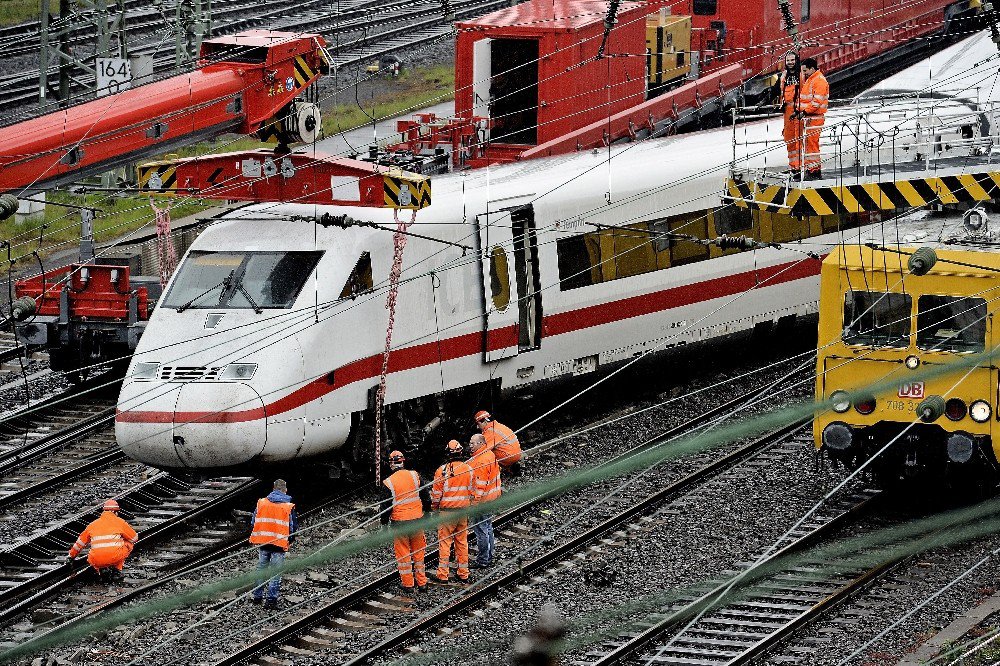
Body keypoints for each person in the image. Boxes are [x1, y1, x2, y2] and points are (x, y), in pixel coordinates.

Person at [381, 450, 430, 591]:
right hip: (417, 520)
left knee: (403, 554)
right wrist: (427, 513)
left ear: (391, 464)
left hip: (400, 523)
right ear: (403, 462)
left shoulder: (388, 482)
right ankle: (422, 583)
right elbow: (426, 497)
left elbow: (385, 507)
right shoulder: (415, 476)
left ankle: (408, 584)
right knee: (419, 552)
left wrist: (384, 524)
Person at [249, 478, 297, 610]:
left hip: (263, 542)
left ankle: (257, 597)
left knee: (261, 570)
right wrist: (290, 541)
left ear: (273, 489)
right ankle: (271, 601)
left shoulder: (262, 503)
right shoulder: (288, 507)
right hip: (279, 544)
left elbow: (253, 523)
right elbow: (292, 528)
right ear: (285, 490)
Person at [430, 440, 474, 583]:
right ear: (461, 452)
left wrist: (434, 509)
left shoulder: (442, 471)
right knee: (462, 542)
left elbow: (436, 495)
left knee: (445, 543)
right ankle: (463, 573)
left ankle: (443, 575)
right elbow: (472, 491)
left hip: (447, 513)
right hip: (463, 512)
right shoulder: (469, 469)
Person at [67, 498, 138, 583]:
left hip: (96, 560)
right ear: (114, 512)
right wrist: (121, 538)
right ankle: (116, 571)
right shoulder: (120, 522)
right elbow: (134, 538)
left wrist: (71, 556)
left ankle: (100, 570)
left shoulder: (92, 525)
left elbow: (80, 543)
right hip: (115, 557)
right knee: (128, 543)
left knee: (93, 550)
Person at [468, 433, 501, 568]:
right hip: (491, 498)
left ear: (481, 444)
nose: (470, 445)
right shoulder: (489, 454)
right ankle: (489, 556)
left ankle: (483, 560)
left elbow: (479, 486)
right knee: (488, 528)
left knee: (481, 530)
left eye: (472, 443)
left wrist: (474, 504)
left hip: (482, 501)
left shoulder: (480, 461)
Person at [797, 57, 829, 180]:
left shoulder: (818, 81)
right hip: (810, 117)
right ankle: (811, 168)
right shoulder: (812, 79)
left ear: (812, 69)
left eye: (805, 71)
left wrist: (804, 112)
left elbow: (817, 102)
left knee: (812, 144)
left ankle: (814, 170)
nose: (803, 73)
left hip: (814, 117)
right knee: (809, 143)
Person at [774, 51, 803, 174]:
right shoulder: (784, 76)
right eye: (788, 61)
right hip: (788, 112)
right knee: (790, 140)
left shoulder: (802, 75)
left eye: (792, 60)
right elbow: (776, 90)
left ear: (796, 60)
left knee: (800, 139)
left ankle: (802, 167)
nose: (790, 63)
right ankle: (793, 167)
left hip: (800, 112)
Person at [475, 410, 522, 474]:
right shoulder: (499, 426)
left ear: (485, 422)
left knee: (484, 455)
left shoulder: (490, 431)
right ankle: (511, 468)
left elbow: (480, 451)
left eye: (478, 424)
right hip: (516, 454)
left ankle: (493, 472)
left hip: (509, 458)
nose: (477, 427)